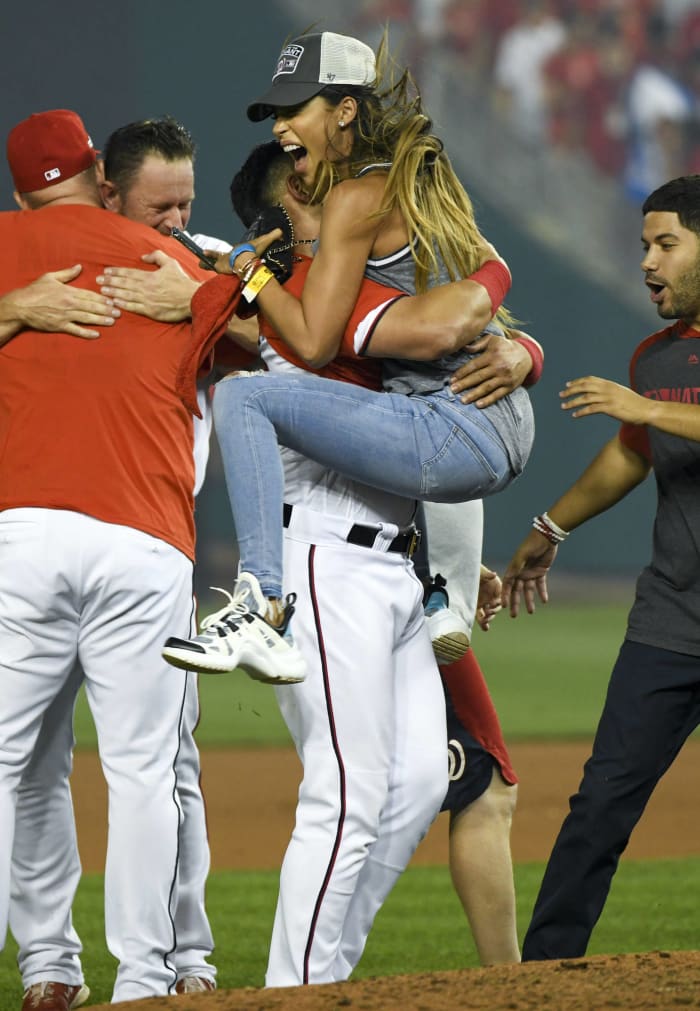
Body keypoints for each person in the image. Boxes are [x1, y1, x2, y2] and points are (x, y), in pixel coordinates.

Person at [160, 29, 535, 685]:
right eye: (275, 112)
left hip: (454, 425)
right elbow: (491, 270)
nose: (280, 125)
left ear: (345, 110)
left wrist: (250, 271)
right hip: (496, 411)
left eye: (294, 107)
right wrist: (524, 350)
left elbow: (310, 342)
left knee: (242, 397)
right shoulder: (422, 175)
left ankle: (260, 606)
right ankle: (444, 584)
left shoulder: (353, 198)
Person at [5, 116, 220, 1009]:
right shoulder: (192, 266)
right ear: (100, 174)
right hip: (144, 538)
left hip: (20, 538)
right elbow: (309, 336)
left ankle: (51, 965)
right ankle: (150, 976)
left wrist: (15, 306)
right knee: (150, 770)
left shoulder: (8, 242)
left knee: (16, 763)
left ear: (21, 193)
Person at [501, 173, 700, 961]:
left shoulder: (648, 389)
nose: (647, 261)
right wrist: (553, 523)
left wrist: (645, 409)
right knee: (601, 802)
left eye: (666, 244)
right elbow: (633, 453)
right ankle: (547, 974)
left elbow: (645, 422)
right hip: (672, 620)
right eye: (643, 245)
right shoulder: (654, 359)